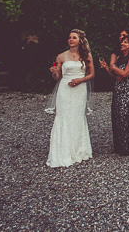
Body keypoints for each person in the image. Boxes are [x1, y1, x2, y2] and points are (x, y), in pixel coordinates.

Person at [45, 29, 95, 168]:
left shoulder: (86, 56)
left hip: (80, 89)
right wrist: (54, 72)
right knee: (64, 117)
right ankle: (63, 152)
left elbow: (92, 74)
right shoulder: (60, 56)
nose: (71, 40)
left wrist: (80, 80)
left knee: (77, 117)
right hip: (65, 89)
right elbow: (57, 76)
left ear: (80, 41)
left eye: (74, 37)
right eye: (69, 37)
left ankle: (78, 150)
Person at [99, 34, 129, 155]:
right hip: (117, 90)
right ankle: (119, 146)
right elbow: (115, 76)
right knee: (116, 117)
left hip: (127, 90)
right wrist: (107, 67)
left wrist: (113, 66)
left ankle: (128, 147)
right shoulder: (119, 58)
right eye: (122, 42)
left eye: (126, 42)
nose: (122, 44)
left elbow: (125, 74)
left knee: (124, 117)